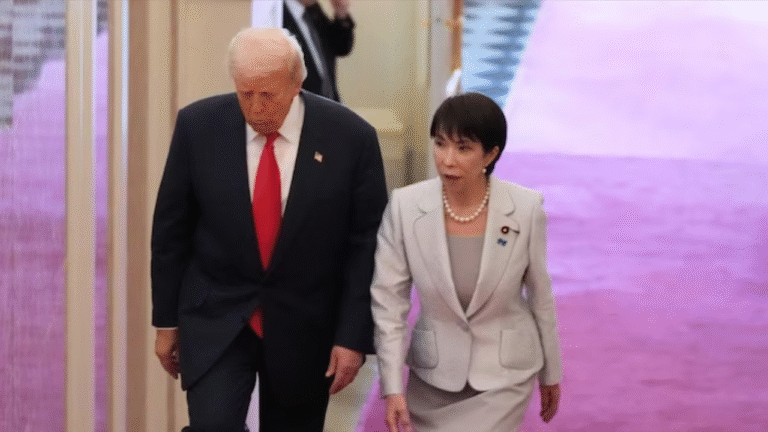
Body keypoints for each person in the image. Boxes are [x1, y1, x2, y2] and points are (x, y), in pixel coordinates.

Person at [151, 28, 388, 432]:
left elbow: (367, 245)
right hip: (218, 313)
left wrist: (352, 337)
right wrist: (166, 322)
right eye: (245, 94)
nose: (256, 108)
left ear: (297, 83)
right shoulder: (199, 126)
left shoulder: (350, 137)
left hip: (305, 322)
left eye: (268, 95)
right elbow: (171, 230)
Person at [370, 92, 562, 432]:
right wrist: (392, 386)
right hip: (433, 376)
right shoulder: (405, 207)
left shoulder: (525, 208)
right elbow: (389, 303)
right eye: (440, 144)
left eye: (463, 148)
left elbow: (540, 296)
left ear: (490, 154)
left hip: (504, 376)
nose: (447, 160)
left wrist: (551, 372)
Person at [282, 0, 354, 101]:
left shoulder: (313, 9)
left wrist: (341, 13)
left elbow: (341, 47)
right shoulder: (277, 15)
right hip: (304, 106)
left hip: (329, 103)